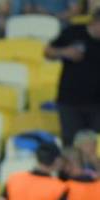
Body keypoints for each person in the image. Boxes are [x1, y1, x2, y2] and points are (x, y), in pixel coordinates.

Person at [45, 8, 100, 146]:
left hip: (96, 103)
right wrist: (64, 52)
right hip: (70, 102)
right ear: (95, 22)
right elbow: (47, 51)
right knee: (71, 146)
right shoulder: (73, 32)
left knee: (96, 147)